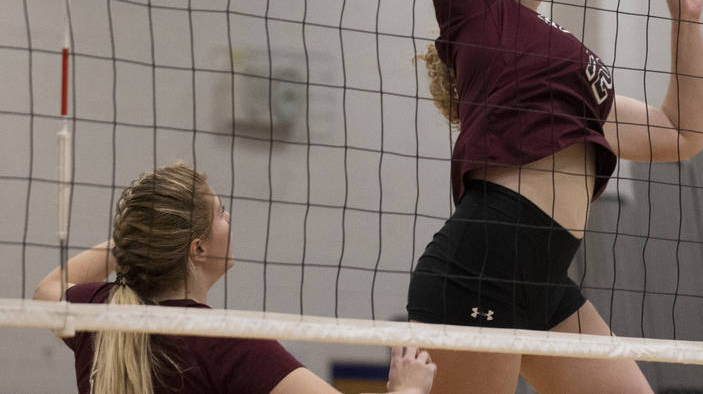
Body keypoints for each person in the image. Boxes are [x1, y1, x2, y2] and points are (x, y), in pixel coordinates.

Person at [273, 0, 703, 394]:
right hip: (484, 263)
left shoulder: (570, 73)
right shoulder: (475, 13)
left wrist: (683, 20)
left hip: (543, 278)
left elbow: (680, 132)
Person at [34, 163, 437, 394]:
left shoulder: (102, 313)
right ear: (197, 248)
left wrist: (137, 240)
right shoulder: (227, 342)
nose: (230, 219)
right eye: (221, 211)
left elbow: (47, 290)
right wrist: (408, 389)